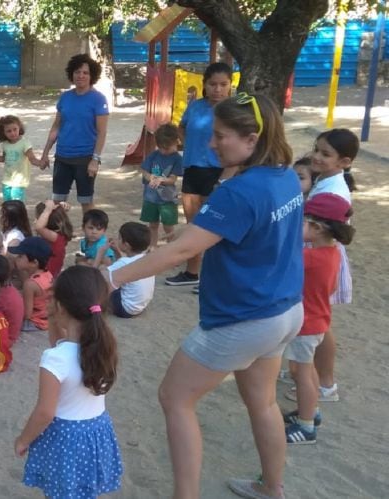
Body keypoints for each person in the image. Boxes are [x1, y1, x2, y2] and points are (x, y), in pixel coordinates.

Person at [109, 93, 302, 499]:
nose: (212, 144)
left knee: (174, 397)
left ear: (251, 139)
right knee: (263, 402)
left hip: (242, 319)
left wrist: (112, 278)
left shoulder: (239, 191)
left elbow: (179, 253)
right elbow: (243, 230)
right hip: (283, 311)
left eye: (220, 136)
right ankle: (273, 487)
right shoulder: (284, 175)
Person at [15, 266, 122, 499]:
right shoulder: (105, 346)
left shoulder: (55, 359)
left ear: (60, 307)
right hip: (96, 432)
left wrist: (24, 440)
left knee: (60, 492)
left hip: (66, 439)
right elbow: (60, 343)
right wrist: (56, 317)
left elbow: (45, 412)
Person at [281, 193, 353, 445]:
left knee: (302, 374)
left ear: (317, 228)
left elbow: (280, 261)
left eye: (302, 222)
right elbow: (331, 288)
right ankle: (310, 411)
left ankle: (306, 426)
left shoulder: (309, 257)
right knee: (307, 370)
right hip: (319, 318)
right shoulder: (333, 253)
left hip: (306, 323)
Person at [302, 128, 360, 404]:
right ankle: (308, 371)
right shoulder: (326, 179)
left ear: (344, 162)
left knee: (319, 322)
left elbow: (331, 228)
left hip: (321, 257)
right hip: (316, 253)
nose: (316, 157)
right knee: (315, 319)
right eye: (316, 149)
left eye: (326, 154)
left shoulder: (335, 190)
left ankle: (325, 383)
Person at [166, 62, 233, 287]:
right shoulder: (195, 107)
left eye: (223, 84)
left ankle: (215, 278)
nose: (218, 89)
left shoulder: (234, 111)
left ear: (230, 85)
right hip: (193, 169)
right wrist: (188, 144)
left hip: (219, 172)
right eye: (213, 84)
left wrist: (227, 175)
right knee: (194, 225)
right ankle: (192, 273)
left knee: (215, 227)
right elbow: (182, 127)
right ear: (204, 85)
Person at [40, 54, 110, 213]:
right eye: (77, 72)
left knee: (86, 202)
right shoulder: (65, 98)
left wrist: (95, 160)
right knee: (56, 201)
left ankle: (91, 237)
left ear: (92, 75)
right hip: (62, 157)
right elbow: (56, 127)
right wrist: (45, 154)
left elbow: (102, 132)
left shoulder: (98, 99)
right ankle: (57, 236)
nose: (81, 76)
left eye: (85, 73)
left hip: (85, 159)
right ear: (72, 74)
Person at [140, 123, 184, 248]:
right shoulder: (154, 155)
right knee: (152, 224)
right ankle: (152, 247)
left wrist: (161, 180)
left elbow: (172, 179)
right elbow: (144, 170)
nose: (164, 151)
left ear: (176, 142)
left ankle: (172, 248)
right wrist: (150, 177)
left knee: (168, 226)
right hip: (151, 198)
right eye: (161, 148)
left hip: (167, 199)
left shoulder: (177, 159)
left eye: (167, 148)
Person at [106, 223, 155, 318]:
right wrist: (116, 251)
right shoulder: (146, 258)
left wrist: (101, 251)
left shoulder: (124, 262)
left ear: (126, 245)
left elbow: (102, 277)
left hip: (125, 309)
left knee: (102, 280)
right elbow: (122, 269)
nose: (117, 240)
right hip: (139, 306)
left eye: (119, 238)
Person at [0, 115, 41, 202]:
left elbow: (32, 159)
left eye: (15, 129)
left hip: (19, 180)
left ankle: (20, 216)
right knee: (7, 202)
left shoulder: (25, 143)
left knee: (16, 203)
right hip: (7, 179)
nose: (12, 133)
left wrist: (40, 163)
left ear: (19, 128)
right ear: (3, 132)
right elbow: (4, 158)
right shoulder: (5, 144)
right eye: (9, 131)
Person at [9, 237, 53, 333]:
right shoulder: (48, 274)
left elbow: (27, 315)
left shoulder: (30, 284)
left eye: (20, 256)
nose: (16, 258)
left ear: (34, 263)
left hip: (36, 323)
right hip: (48, 320)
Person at [33, 200, 73, 278]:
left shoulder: (55, 237)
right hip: (52, 270)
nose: (35, 221)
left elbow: (39, 227)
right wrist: (59, 208)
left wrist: (48, 210)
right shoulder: (59, 233)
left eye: (38, 218)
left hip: (47, 273)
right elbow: (57, 216)